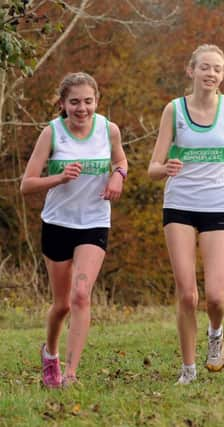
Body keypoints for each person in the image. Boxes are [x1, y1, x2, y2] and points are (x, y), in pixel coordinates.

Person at [148, 44, 224, 384]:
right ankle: (188, 369)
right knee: (187, 294)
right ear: (191, 71)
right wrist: (165, 167)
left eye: (217, 69)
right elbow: (152, 167)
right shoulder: (174, 110)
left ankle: (215, 332)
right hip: (179, 205)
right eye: (205, 67)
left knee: (215, 297)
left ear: (222, 75)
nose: (211, 74)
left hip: (217, 208)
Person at [21, 72, 127, 387]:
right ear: (63, 104)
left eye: (88, 101)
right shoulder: (51, 133)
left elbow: (121, 160)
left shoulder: (109, 130)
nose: (82, 108)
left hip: (94, 222)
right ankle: (50, 353)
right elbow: (27, 184)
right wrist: (60, 177)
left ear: (97, 101)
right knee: (62, 304)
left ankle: (70, 373)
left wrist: (118, 175)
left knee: (81, 295)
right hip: (57, 223)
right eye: (75, 102)